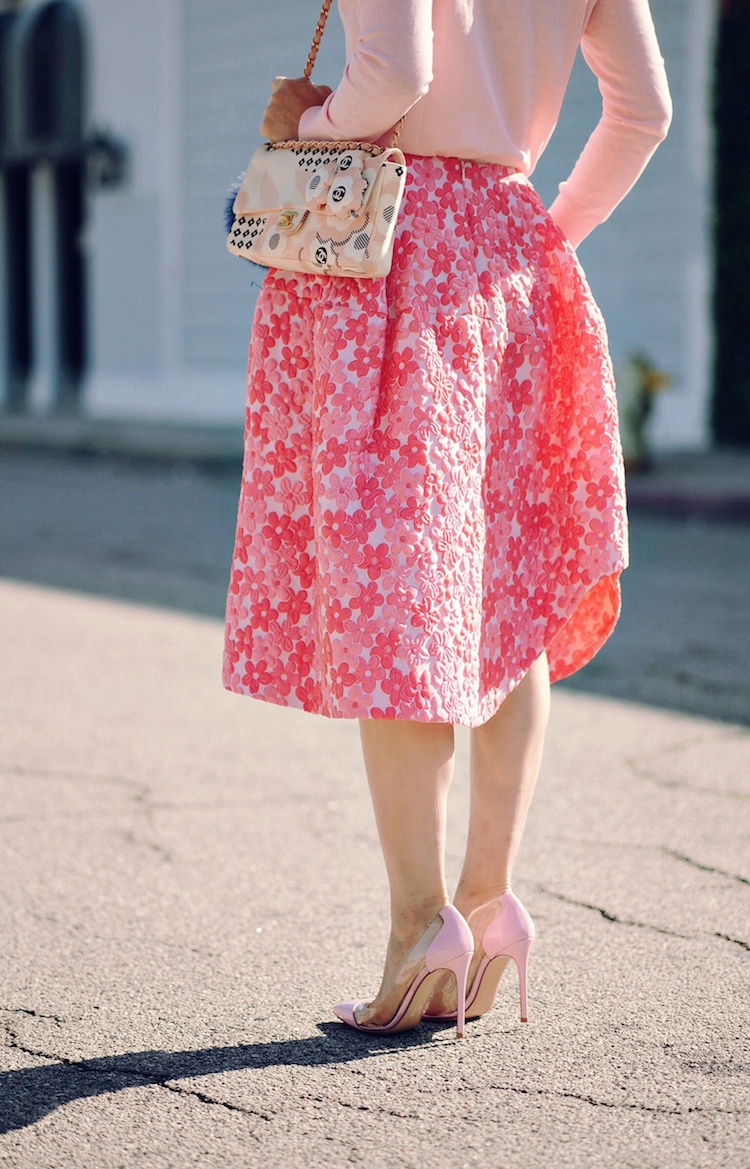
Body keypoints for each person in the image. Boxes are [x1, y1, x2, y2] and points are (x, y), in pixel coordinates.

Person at [223, 0, 671, 1037]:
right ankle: (488, 897)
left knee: (404, 604)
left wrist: (307, 127)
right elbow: (643, 114)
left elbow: (393, 79)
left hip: (393, 249)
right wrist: (544, 229)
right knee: (502, 587)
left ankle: (419, 927)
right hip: (518, 261)